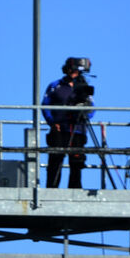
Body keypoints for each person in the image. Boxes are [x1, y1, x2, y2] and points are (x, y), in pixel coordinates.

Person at [42, 57, 92, 188]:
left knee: (77, 162)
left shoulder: (84, 87)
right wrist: (52, 123)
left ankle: (75, 189)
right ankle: (51, 189)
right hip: (59, 129)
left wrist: (83, 114)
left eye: (76, 70)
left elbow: (91, 109)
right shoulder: (55, 85)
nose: (73, 73)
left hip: (78, 130)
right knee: (55, 161)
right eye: (72, 69)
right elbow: (45, 106)